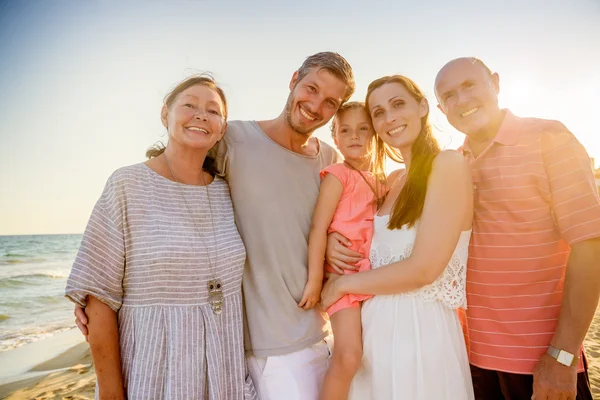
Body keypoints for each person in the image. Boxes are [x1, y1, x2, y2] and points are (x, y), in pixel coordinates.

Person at [74, 52, 356, 400]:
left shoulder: (329, 161)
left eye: (330, 101)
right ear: (294, 78)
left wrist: (329, 241)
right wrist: (96, 295)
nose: (315, 105)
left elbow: (344, 228)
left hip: (299, 338)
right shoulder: (233, 140)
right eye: (310, 88)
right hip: (243, 352)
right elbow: (172, 179)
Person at [65, 75, 257, 399]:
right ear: (165, 115)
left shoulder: (229, 191)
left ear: (222, 128)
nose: (200, 115)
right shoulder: (127, 185)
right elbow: (99, 299)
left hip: (226, 375)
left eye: (213, 111)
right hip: (154, 375)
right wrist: (112, 394)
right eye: (189, 105)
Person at [434, 57, 600, 400]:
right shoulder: (452, 163)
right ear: (440, 107)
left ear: (495, 83)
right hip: (470, 360)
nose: (461, 100)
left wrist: (563, 355)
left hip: (538, 362)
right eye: (449, 95)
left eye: (469, 86)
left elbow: (590, 244)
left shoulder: (548, 137)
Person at [322, 75, 475, 399]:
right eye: (378, 112)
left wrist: (340, 285)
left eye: (397, 104)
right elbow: (363, 234)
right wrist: (331, 244)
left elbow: (423, 269)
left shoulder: (447, 164)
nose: (389, 118)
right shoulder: (389, 181)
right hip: (373, 335)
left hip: (419, 335)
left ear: (422, 107)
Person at [299, 101, 386, 400]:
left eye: (364, 129)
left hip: (372, 279)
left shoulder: (381, 182)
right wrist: (314, 280)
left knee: (373, 357)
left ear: (376, 135)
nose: (355, 137)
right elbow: (318, 228)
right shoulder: (338, 174)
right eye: (345, 130)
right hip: (341, 279)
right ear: (334, 138)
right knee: (349, 356)